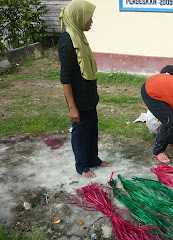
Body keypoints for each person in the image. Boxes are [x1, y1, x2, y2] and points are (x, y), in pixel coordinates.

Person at [58, 0, 111, 179]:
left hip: (88, 96)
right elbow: (65, 78)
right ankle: (81, 166)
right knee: (80, 132)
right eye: (89, 18)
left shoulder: (79, 36)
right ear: (79, 18)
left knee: (92, 128)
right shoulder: (67, 41)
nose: (91, 22)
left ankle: (93, 159)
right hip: (78, 99)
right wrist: (72, 107)